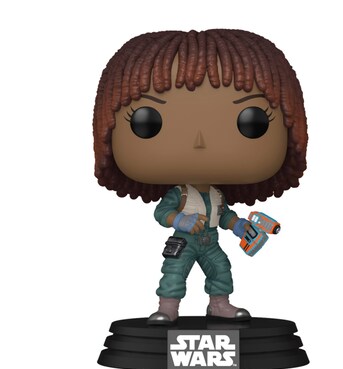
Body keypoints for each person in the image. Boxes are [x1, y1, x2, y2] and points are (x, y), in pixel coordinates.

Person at [93, 29, 308, 325]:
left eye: (252, 122)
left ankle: (219, 304)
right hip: (185, 239)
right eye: (148, 122)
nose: (199, 142)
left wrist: (239, 225)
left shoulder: (216, 195)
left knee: (221, 269)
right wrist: (180, 221)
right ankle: (167, 308)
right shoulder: (180, 193)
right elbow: (161, 213)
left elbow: (224, 214)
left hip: (210, 239)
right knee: (174, 272)